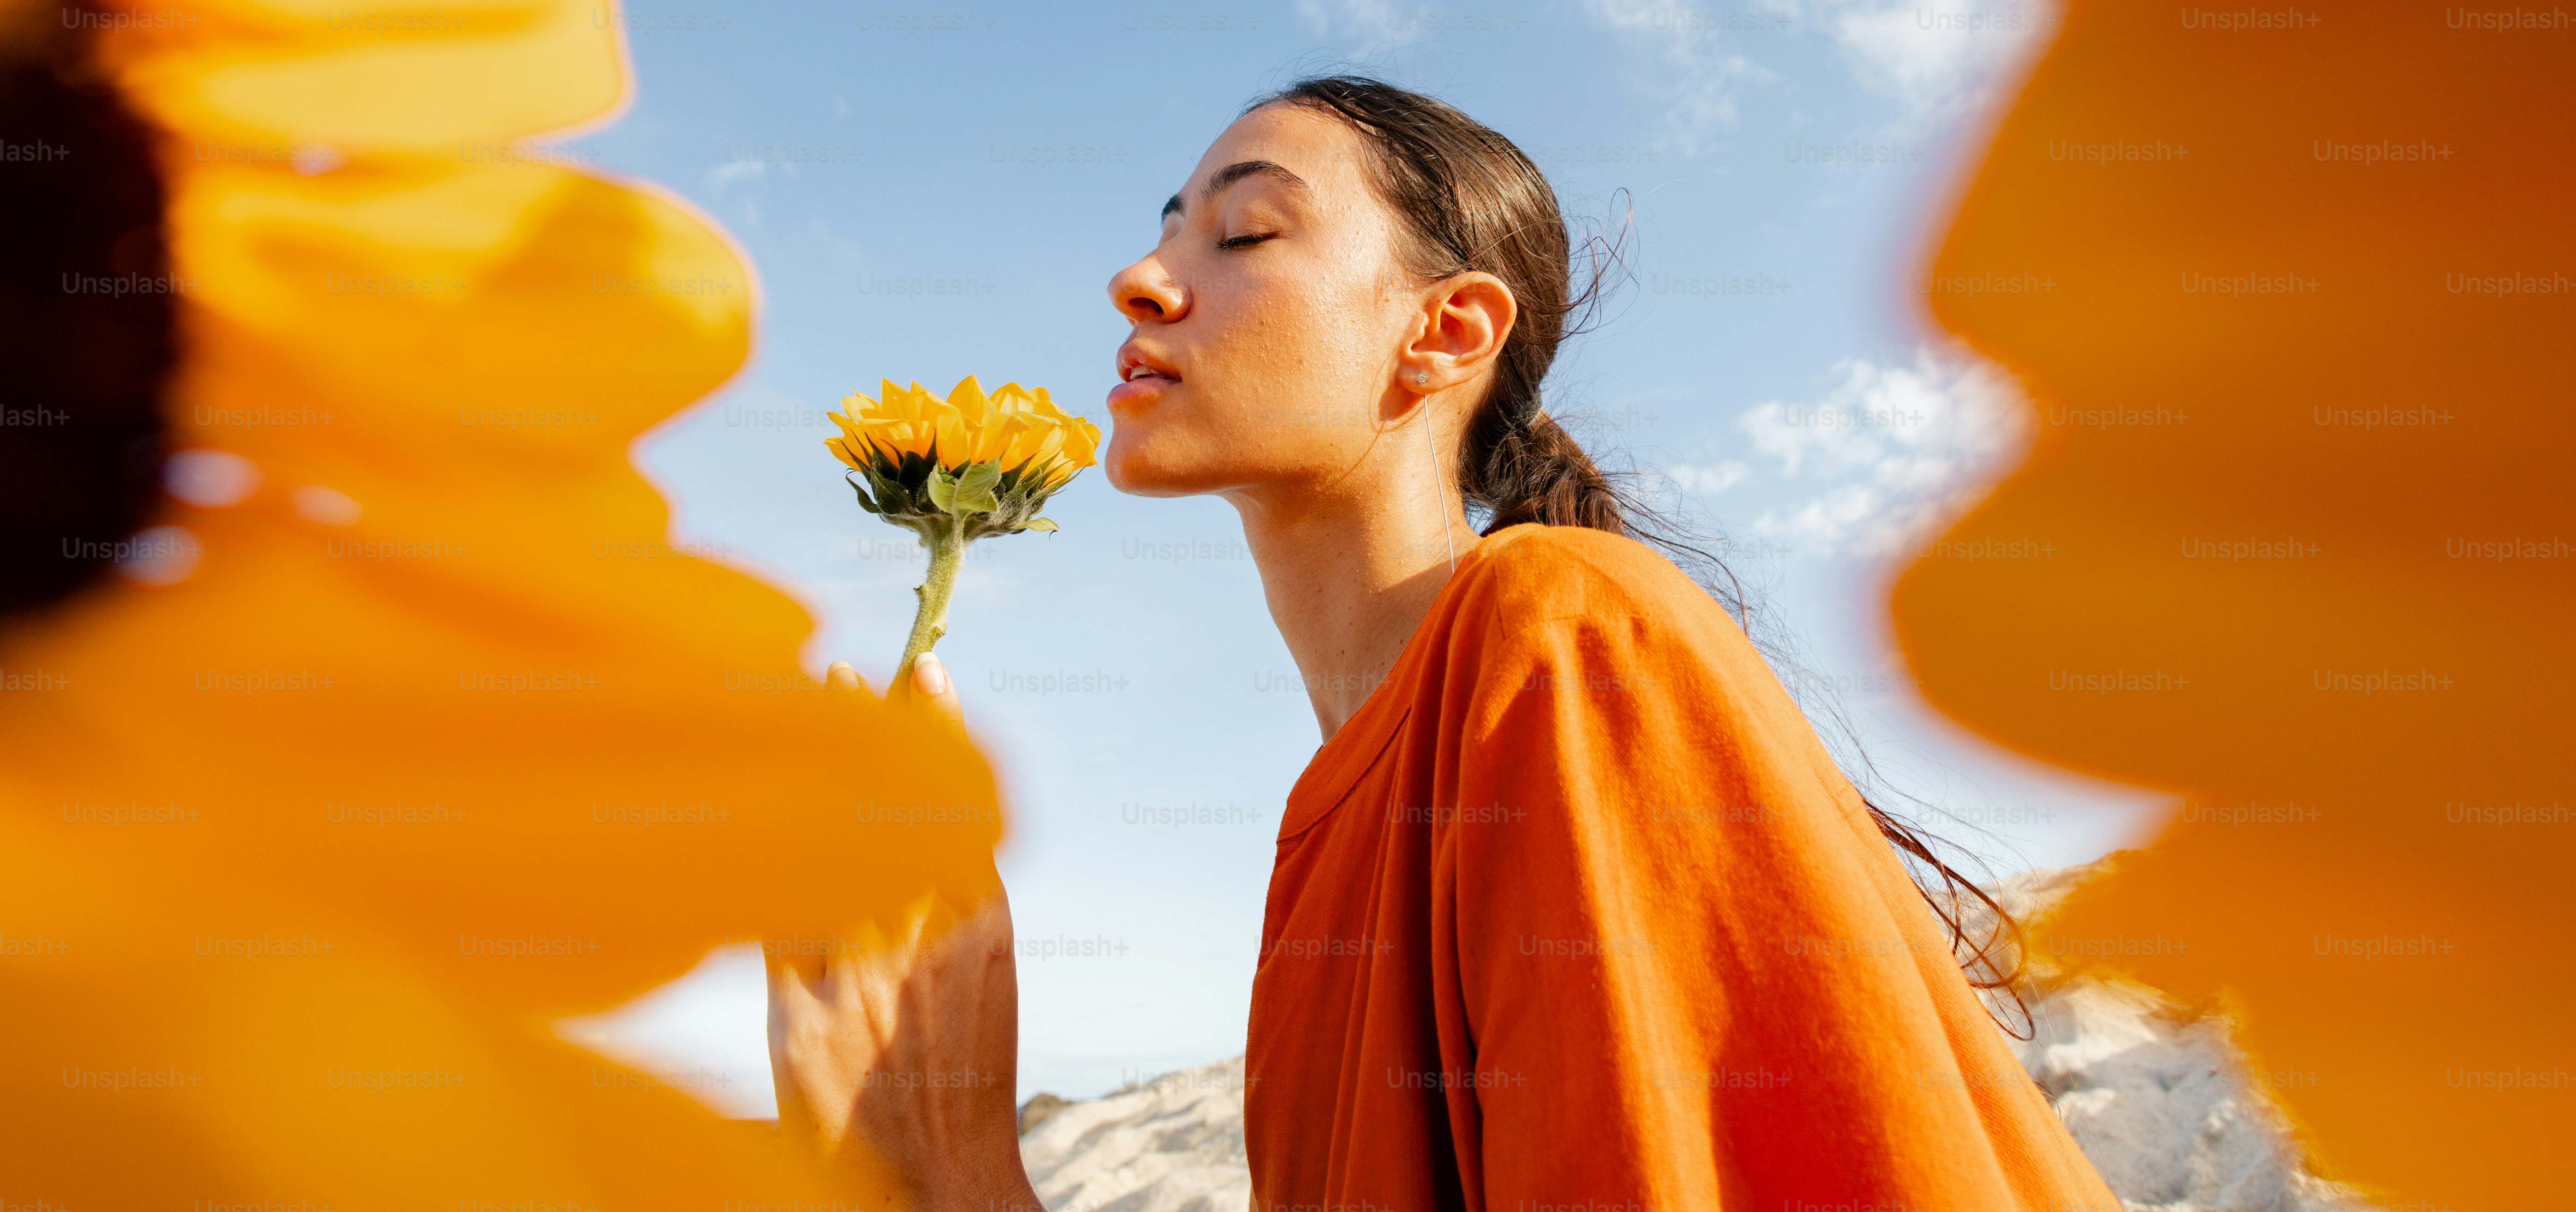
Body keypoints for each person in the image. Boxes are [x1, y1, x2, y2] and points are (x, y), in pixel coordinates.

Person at [768, 76, 2121, 1212]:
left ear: (1446, 332)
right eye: (1165, 230)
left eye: (1243, 234)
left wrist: (943, 1161)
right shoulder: (1331, 834)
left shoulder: (1563, 639)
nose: (1139, 280)